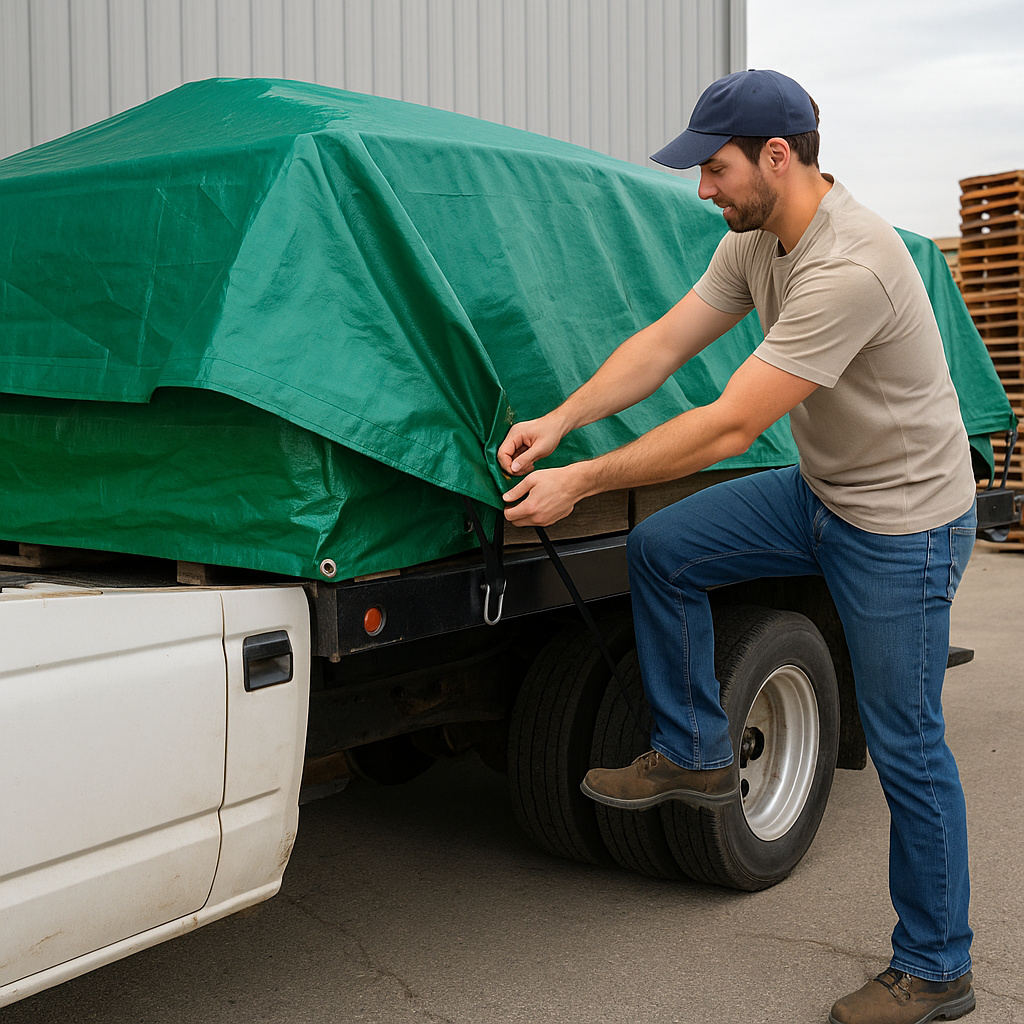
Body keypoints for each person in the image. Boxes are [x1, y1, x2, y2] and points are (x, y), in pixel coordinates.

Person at [497, 69, 978, 1024]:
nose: (703, 189)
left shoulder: (853, 264)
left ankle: (936, 966)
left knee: (906, 743)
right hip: (825, 490)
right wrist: (562, 420)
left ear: (777, 156)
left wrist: (584, 480)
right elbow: (665, 344)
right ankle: (696, 750)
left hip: (905, 525)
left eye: (713, 169)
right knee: (665, 550)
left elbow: (725, 428)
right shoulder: (758, 240)